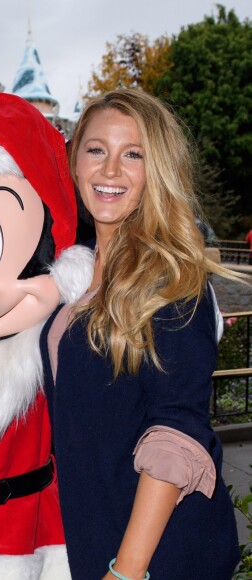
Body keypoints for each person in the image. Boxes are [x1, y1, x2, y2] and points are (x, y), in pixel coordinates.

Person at [41, 89, 240, 580]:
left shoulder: (173, 280)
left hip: (158, 557)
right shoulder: (74, 268)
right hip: (94, 536)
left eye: (133, 154)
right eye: (96, 150)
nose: (110, 171)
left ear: (158, 171)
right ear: (75, 160)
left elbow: (176, 433)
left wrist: (126, 571)